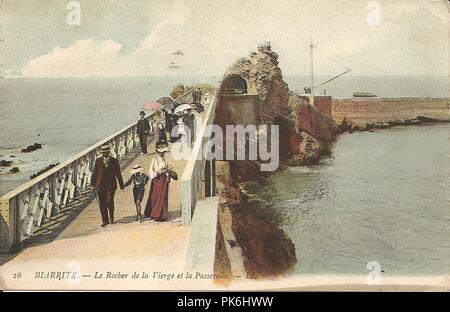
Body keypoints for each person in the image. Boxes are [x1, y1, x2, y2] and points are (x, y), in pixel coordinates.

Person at [91, 144, 124, 227]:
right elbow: (95, 173)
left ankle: (111, 216)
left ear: (109, 152)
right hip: (100, 185)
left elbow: (118, 173)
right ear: (101, 152)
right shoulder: (98, 161)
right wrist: (92, 184)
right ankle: (105, 220)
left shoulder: (114, 161)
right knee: (102, 203)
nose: (105, 153)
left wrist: (121, 184)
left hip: (111, 185)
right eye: (103, 152)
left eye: (106, 151)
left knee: (109, 201)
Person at [143, 142, 172, 222]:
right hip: (156, 181)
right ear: (157, 152)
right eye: (161, 152)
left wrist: (167, 173)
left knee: (163, 197)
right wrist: (156, 173)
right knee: (155, 197)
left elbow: (166, 169)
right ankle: (155, 214)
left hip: (163, 181)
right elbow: (150, 171)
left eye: (163, 152)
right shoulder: (154, 160)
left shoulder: (164, 160)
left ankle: (162, 215)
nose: (162, 154)